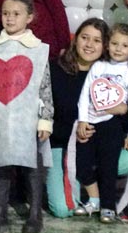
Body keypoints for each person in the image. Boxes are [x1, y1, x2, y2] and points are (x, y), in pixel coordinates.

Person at [0, 0, 53, 233]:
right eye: (6, 13)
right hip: (1, 117)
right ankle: (0, 211)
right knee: (0, 165)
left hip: (29, 118)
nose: (10, 18)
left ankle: (35, 213)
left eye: (16, 14)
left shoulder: (38, 50)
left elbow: (45, 86)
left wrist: (45, 120)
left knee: (32, 167)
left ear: (29, 17)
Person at [74, 23, 128, 224]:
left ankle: (108, 206)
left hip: (112, 126)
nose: (119, 49)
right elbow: (85, 94)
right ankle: (93, 200)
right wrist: (83, 120)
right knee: (82, 163)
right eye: (114, 43)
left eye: (125, 45)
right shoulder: (98, 67)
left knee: (107, 167)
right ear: (107, 45)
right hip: (91, 123)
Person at [46, 18, 108, 218]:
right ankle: (76, 185)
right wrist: (75, 133)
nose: (89, 45)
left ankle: (95, 193)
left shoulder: (109, 75)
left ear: (104, 45)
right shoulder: (55, 70)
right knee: (63, 210)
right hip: (60, 146)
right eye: (85, 38)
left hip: (96, 147)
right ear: (76, 39)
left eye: (97, 40)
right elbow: (47, 115)